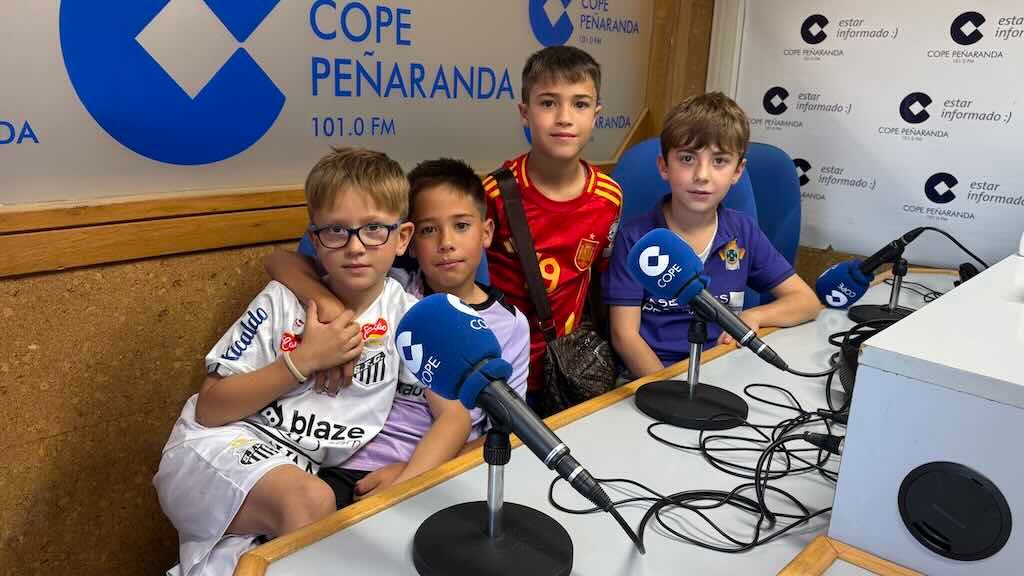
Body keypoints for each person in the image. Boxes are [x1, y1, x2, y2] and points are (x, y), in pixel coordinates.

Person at [154, 147, 428, 576]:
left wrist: (411, 472)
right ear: (315, 238)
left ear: (403, 237)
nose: (355, 247)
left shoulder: (408, 318)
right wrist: (303, 361)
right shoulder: (283, 300)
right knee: (312, 502)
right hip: (215, 449)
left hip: (296, 471)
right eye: (336, 230)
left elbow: (452, 415)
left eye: (374, 229)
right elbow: (209, 408)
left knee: (250, 564)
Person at [263, 157, 530, 504]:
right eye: (428, 230)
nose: (446, 243)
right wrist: (330, 305)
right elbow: (278, 261)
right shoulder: (389, 287)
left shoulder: (510, 325)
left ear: (486, 232)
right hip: (338, 459)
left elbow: (505, 431)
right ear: (409, 240)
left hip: (434, 471)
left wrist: (410, 473)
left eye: (461, 226)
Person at [605, 92, 821, 377]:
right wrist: (669, 389)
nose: (702, 175)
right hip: (652, 375)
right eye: (687, 158)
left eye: (719, 161)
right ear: (663, 167)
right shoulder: (637, 239)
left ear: (737, 171)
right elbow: (625, 336)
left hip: (722, 368)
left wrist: (754, 316)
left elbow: (806, 302)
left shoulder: (742, 232)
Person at [482, 45, 622, 412]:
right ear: (525, 114)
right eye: (548, 103)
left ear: (596, 115)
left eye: (580, 104)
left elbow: (601, 280)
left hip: (569, 367)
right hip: (501, 369)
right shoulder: (494, 194)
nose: (564, 117)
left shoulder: (608, 197)